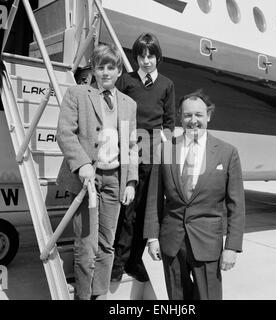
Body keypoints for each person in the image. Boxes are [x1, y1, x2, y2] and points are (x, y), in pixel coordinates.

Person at [144, 89, 245, 300]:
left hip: (208, 243)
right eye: (188, 115)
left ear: (208, 116)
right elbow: (154, 198)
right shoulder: (165, 150)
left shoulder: (227, 152)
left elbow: (236, 205)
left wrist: (232, 247)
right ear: (181, 117)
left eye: (199, 115)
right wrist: (152, 237)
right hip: (172, 243)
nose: (193, 121)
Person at [56, 44, 138, 300]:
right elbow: (65, 134)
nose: (105, 72)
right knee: (87, 246)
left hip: (115, 179)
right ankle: (82, 296)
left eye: (110, 67)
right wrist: (82, 164)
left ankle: (99, 294)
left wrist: (131, 182)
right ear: (93, 69)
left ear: (118, 71)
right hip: (87, 181)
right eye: (100, 67)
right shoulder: (77, 94)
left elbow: (133, 145)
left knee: (107, 244)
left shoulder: (129, 104)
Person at [111, 32, 175, 282]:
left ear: (158, 57)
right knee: (127, 209)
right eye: (141, 55)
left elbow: (169, 122)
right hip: (129, 148)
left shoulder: (167, 85)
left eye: (151, 55)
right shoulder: (126, 81)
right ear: (135, 56)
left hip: (153, 150)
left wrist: (163, 152)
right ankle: (117, 261)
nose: (146, 60)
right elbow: (116, 112)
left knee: (146, 210)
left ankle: (134, 261)